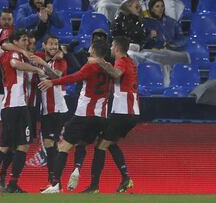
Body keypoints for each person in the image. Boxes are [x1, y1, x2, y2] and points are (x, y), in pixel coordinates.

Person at [39, 39, 111, 194]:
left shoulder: (90, 67)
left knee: (63, 147)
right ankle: (87, 178)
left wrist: (53, 82)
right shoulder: (110, 69)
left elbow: (73, 77)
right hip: (101, 117)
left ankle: (56, 185)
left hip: (84, 114)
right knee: (85, 144)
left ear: (93, 50)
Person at [0, 29, 45, 193]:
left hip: (17, 106)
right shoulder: (12, 54)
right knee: (6, 147)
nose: (26, 43)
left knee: (22, 146)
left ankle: (10, 184)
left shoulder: (8, 55)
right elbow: (15, 64)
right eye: (23, 40)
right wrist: (36, 69)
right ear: (15, 42)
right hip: (14, 107)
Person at [82, 36, 139, 193]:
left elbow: (116, 74)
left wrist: (98, 60)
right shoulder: (131, 62)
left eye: (113, 46)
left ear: (117, 48)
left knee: (101, 145)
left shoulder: (121, 61)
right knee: (108, 142)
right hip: (131, 111)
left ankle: (94, 186)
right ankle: (125, 178)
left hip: (123, 111)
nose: (111, 49)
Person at [31, 35, 68, 185]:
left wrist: (43, 65)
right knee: (49, 145)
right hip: (46, 110)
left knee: (52, 144)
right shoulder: (41, 56)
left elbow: (56, 77)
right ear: (44, 45)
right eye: (51, 44)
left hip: (57, 109)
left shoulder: (60, 61)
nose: (53, 47)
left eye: (56, 44)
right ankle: (53, 181)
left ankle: (55, 181)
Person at [128, 0, 190, 87]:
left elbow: (182, 40)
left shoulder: (172, 22)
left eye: (162, 6)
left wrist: (172, 44)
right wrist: (149, 36)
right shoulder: (144, 23)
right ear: (151, 9)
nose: (160, 8)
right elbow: (140, 42)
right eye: (157, 6)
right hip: (152, 53)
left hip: (170, 52)